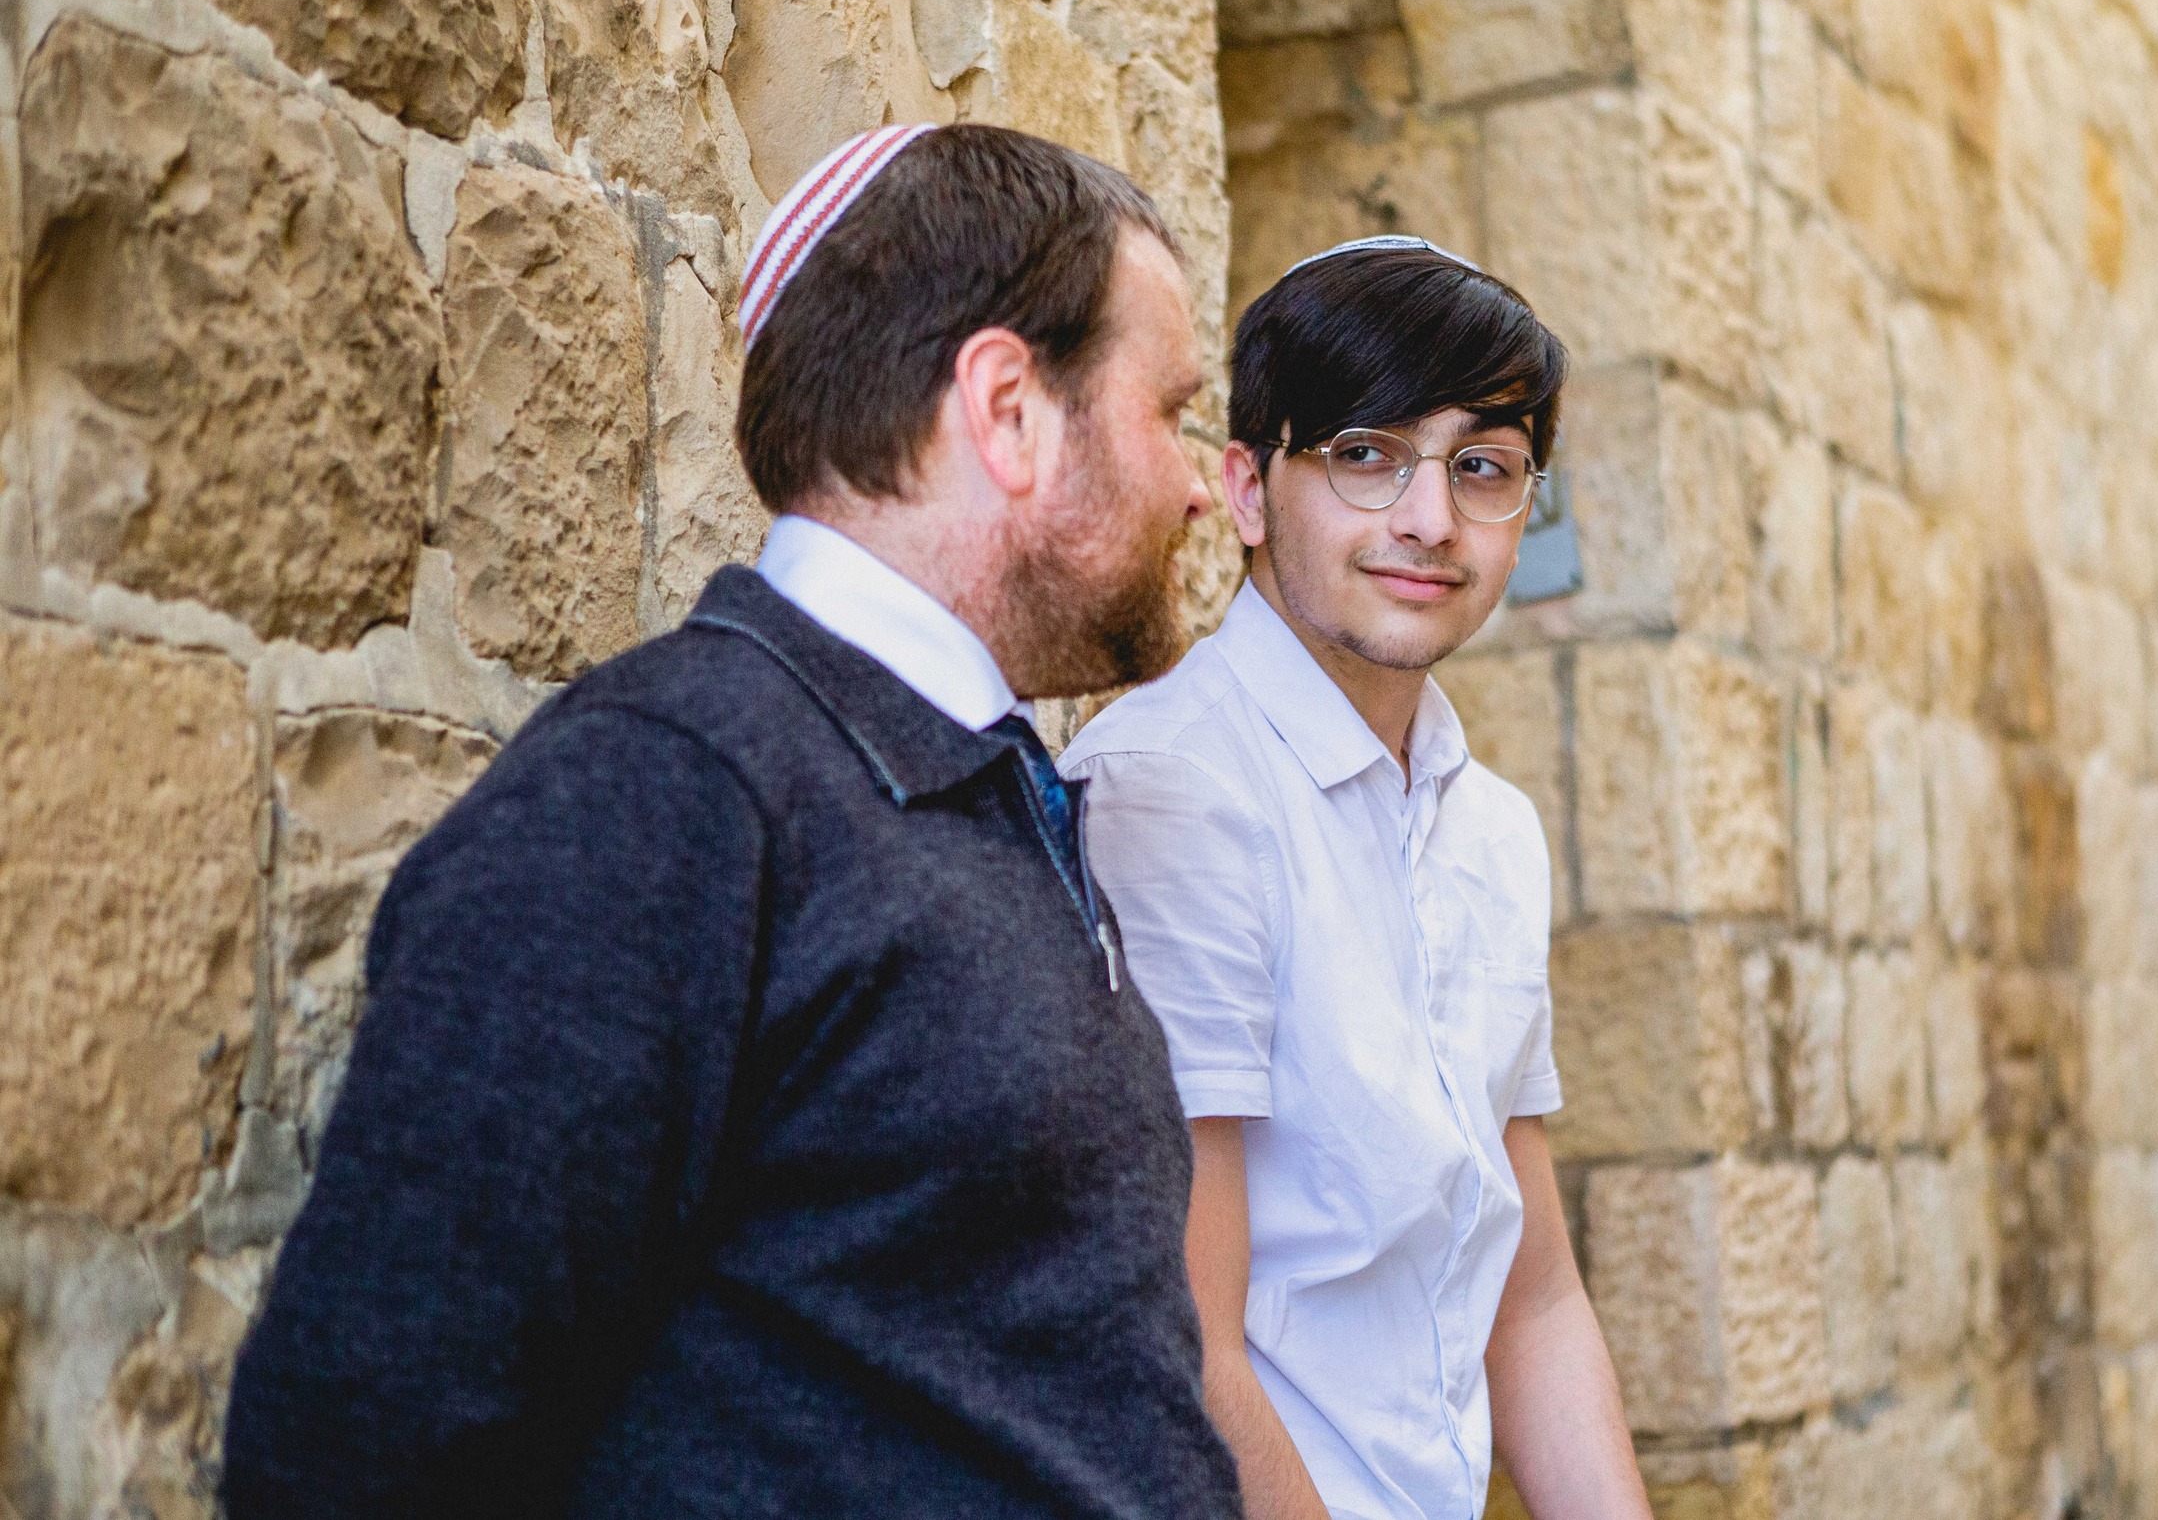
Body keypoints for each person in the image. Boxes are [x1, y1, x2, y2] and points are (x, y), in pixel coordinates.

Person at [222, 124, 1243, 1520]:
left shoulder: (976, 783)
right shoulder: (662, 790)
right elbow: (355, 1437)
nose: (1196, 483)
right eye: (1169, 410)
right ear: (1007, 407)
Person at [1060, 236, 1652, 1520]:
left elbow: (1533, 1301)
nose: (1430, 520)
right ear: (1248, 489)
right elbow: (1182, 1348)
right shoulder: (1174, 790)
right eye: (1365, 455)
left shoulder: (1492, 832)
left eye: (1482, 467)